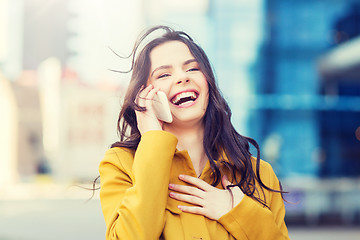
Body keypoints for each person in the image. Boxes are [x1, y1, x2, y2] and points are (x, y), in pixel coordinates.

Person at [99, 25, 290, 240]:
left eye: (192, 69)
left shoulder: (258, 174)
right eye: (164, 74)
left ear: (208, 83)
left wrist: (236, 211)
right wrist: (152, 140)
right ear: (145, 94)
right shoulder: (121, 165)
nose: (182, 78)